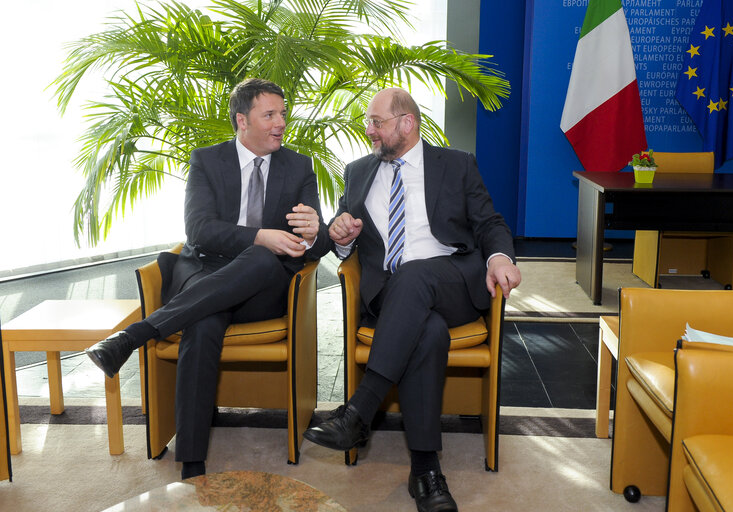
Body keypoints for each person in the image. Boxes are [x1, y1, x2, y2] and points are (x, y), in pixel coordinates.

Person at [86, 78, 329, 480]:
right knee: (202, 321)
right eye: (269, 114)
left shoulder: (298, 166)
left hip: (262, 290)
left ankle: (135, 335)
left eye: (282, 113)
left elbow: (314, 246)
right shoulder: (206, 160)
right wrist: (259, 235)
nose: (280, 123)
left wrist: (314, 231)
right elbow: (198, 230)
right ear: (242, 120)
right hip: (205, 273)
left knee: (263, 260)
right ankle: (192, 466)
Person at [303, 88, 521, 512]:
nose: (368, 131)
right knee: (427, 332)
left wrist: (499, 257)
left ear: (407, 123)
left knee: (418, 272)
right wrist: (341, 236)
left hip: (454, 282)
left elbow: (489, 221)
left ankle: (359, 411)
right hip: (391, 296)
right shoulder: (358, 171)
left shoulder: (456, 164)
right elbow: (342, 240)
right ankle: (425, 472)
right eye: (368, 123)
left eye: (376, 122)